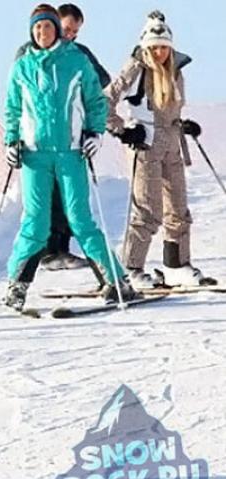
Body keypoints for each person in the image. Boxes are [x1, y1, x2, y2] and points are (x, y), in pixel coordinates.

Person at [2, 4, 140, 311]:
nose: (42, 33)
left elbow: (95, 101)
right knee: (35, 223)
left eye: (47, 27)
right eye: (37, 28)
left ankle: (116, 281)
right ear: (31, 32)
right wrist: (11, 141)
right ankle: (17, 286)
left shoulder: (77, 61)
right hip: (35, 156)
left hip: (70, 153)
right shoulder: (22, 67)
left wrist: (94, 133)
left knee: (81, 219)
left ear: (56, 30)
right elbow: (12, 109)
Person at [106, 11, 216, 288]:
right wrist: (123, 129)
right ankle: (131, 268)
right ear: (145, 46)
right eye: (154, 47)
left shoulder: (175, 70)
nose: (159, 53)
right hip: (145, 144)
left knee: (178, 208)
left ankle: (176, 263)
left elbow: (170, 108)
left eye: (164, 47)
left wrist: (184, 124)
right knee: (147, 208)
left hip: (172, 142)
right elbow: (103, 102)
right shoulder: (136, 68)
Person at [14, 3, 111, 273]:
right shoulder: (27, 55)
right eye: (67, 29)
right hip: (39, 143)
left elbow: (100, 85)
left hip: (70, 141)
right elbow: (18, 98)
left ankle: (79, 256)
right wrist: (15, 138)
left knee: (75, 205)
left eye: (75, 32)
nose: (70, 35)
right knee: (43, 205)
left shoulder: (77, 55)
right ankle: (48, 251)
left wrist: (95, 128)